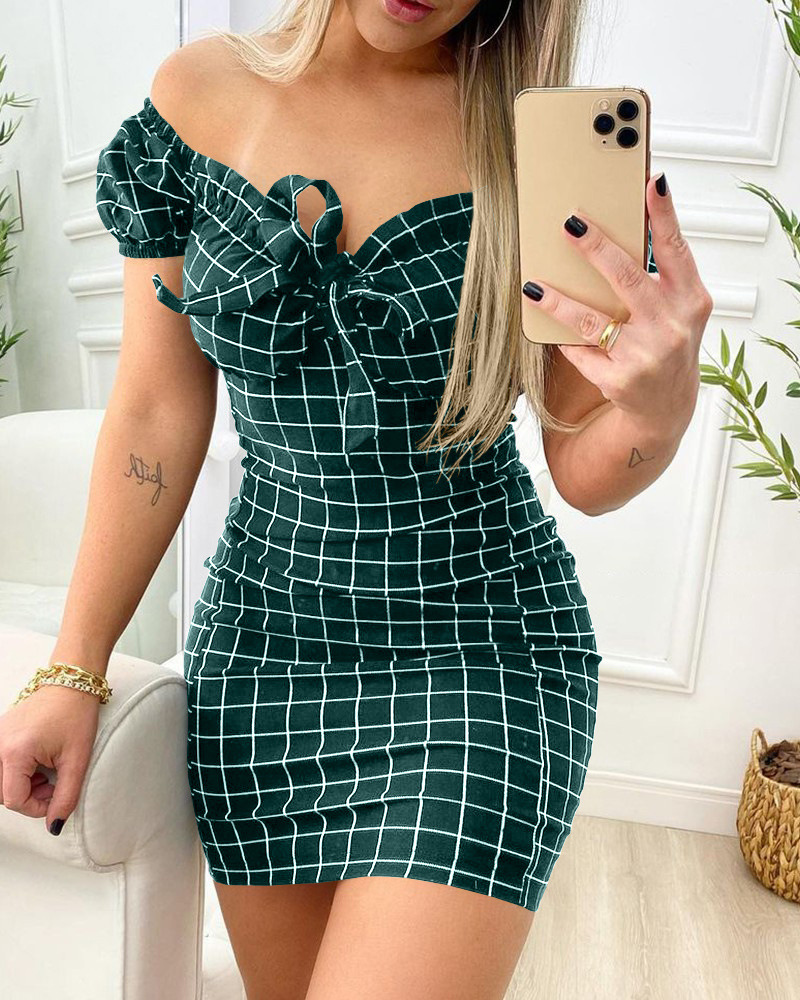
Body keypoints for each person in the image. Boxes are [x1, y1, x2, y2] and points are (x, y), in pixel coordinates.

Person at [0, 1, 711, 998]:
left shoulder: (543, 147)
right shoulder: (197, 98)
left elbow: (583, 469)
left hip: (478, 655)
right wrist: (73, 669)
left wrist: (658, 409)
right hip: (263, 660)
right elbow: (156, 410)